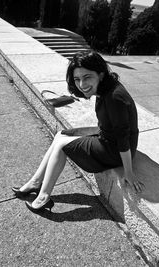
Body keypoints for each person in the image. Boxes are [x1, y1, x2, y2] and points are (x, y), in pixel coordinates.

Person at [12, 51, 144, 213]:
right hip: (108, 138)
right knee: (62, 135)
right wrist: (78, 132)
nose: (81, 84)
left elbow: (123, 138)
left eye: (87, 77)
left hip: (114, 150)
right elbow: (108, 124)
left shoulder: (114, 97)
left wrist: (129, 173)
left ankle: (43, 197)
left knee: (62, 146)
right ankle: (35, 182)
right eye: (77, 79)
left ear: (100, 74)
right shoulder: (107, 87)